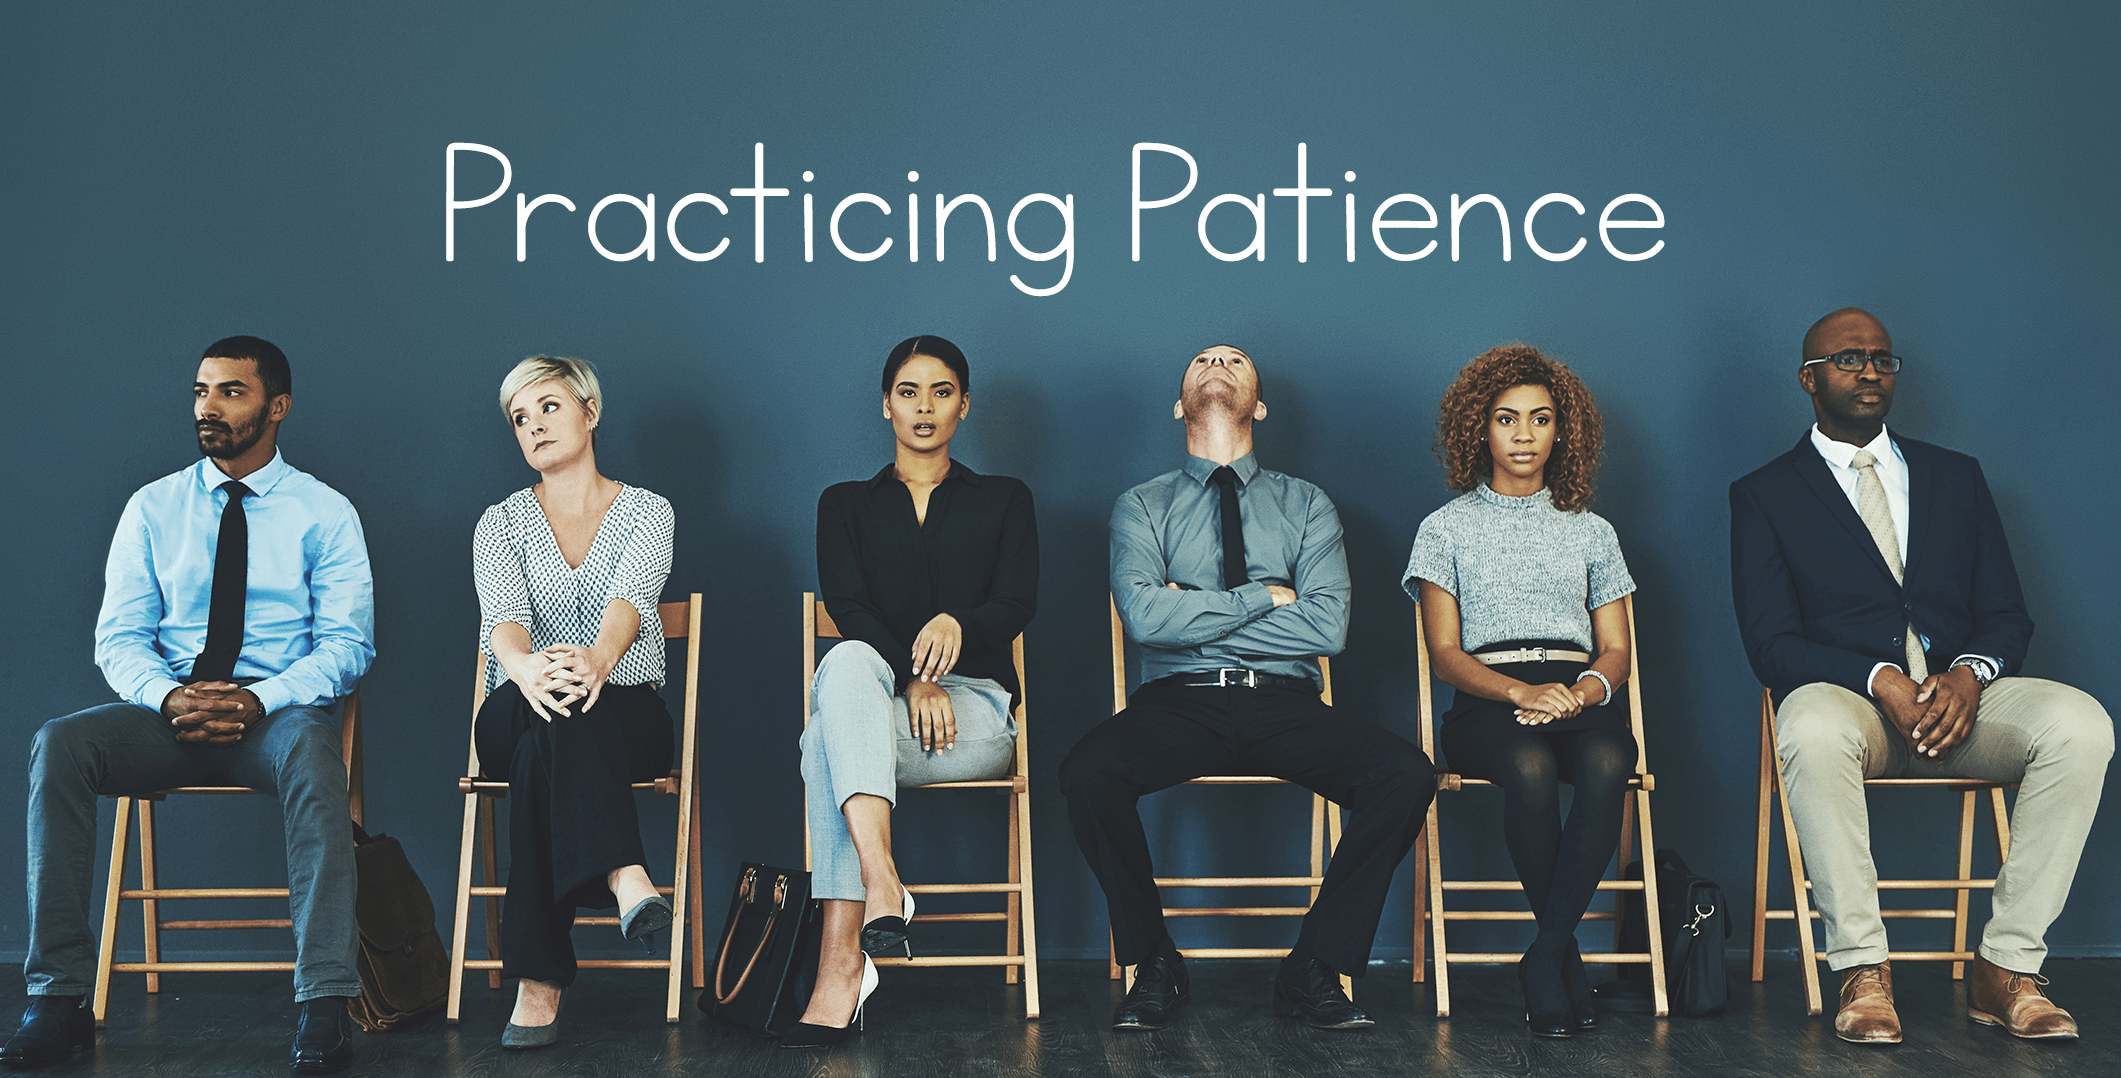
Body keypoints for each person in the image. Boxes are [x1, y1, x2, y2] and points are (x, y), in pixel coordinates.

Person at [1730, 307, 2113, 1044]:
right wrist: (1877, 676)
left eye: (1881, 358)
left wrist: (1969, 673)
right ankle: (1861, 969)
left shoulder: (1954, 477)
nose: (1869, 370)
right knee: (1804, 723)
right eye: (1847, 358)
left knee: (2080, 723)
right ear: (1808, 379)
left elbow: (2006, 616)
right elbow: (1769, 645)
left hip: (1961, 708)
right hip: (1853, 708)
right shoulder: (1765, 493)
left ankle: (2005, 967)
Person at [4, 337, 374, 1075]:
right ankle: (59, 996)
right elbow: (119, 639)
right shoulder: (154, 507)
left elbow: (347, 645)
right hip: (163, 718)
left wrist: (255, 697)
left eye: (231, 392)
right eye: (201, 391)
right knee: (60, 742)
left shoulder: (324, 513)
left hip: (272, 721)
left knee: (311, 744)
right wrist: (170, 696)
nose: (208, 407)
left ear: (277, 407)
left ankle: (324, 1002)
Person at [1059, 344, 1432, 1032]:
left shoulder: (1306, 504)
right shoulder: (1140, 505)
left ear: (1258, 404)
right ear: (1179, 404)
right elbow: (1143, 618)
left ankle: (1315, 966)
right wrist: (1264, 596)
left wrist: (1192, 612)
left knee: (1405, 773)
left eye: (1234, 361)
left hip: (1283, 702)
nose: (1217, 363)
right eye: (1202, 360)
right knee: (1087, 772)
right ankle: (1154, 961)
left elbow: (1327, 628)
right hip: (1179, 700)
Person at [788, 335, 1038, 1049]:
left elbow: (1017, 602)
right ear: (885, 405)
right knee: (846, 662)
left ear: (963, 404)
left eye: (939, 391)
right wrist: (911, 677)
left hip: (975, 716)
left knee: (821, 745)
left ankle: (842, 961)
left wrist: (951, 634)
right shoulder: (844, 505)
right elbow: (850, 608)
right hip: (879, 700)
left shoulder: (1004, 500)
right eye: (907, 391)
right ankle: (880, 884)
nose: (923, 406)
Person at [1403, 345, 1638, 1038]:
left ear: (1561, 431)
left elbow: (1616, 647)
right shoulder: (1443, 528)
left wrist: (1585, 689)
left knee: (1607, 761)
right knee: (1528, 767)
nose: (1524, 434)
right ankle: (1559, 957)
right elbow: (1444, 655)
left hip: (1577, 697)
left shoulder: (1591, 530)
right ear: (1480, 428)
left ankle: (1542, 957)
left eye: (1539, 419)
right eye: (1507, 420)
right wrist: (1518, 693)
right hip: (1486, 705)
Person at [470, 356, 676, 1049]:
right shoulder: (499, 522)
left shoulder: (648, 511)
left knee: (549, 741)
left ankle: (539, 980)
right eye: (519, 419)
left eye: (548, 407)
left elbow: (632, 600)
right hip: (519, 700)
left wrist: (596, 660)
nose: (533, 426)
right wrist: (527, 668)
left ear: (590, 412)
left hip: (625, 710)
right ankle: (623, 871)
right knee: (545, 713)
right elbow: (502, 618)